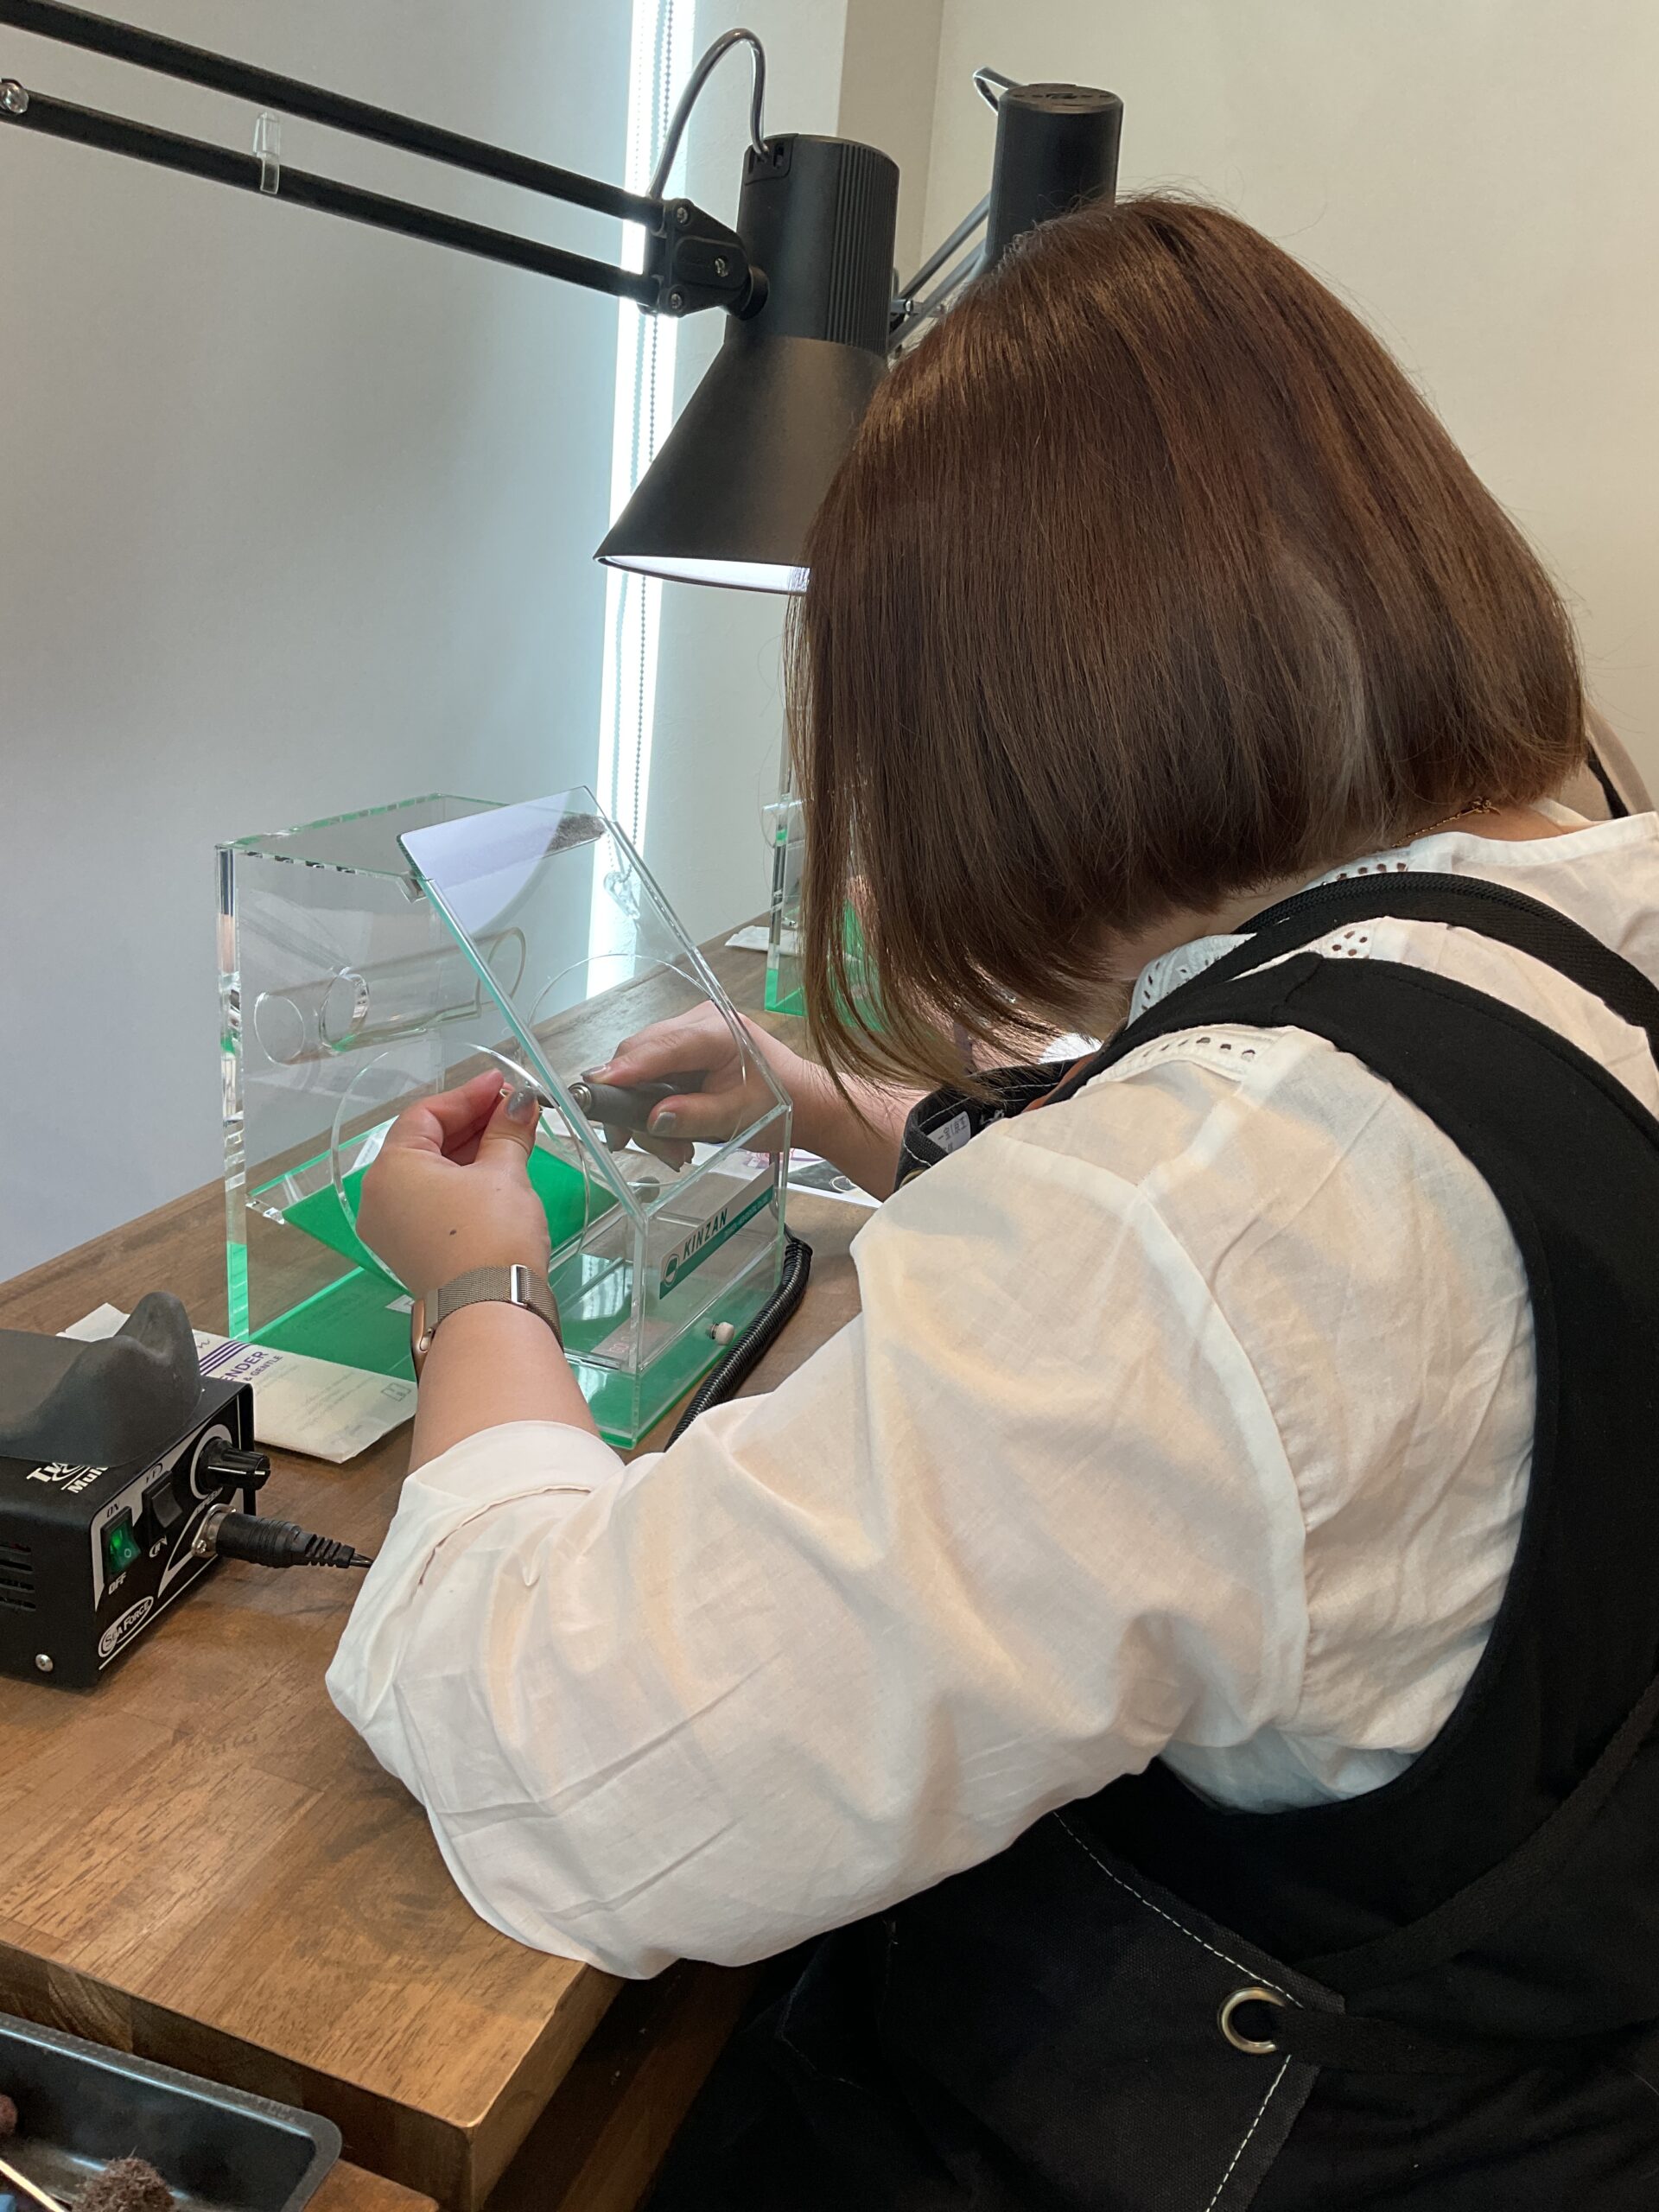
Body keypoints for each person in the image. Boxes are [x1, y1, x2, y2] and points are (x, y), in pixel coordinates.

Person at [327, 196, 1659, 2207]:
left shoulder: (1228, 1210)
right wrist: (831, 1105)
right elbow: (1332, 1254)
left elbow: (566, 1749)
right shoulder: (1582, 918)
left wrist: (477, 1296)